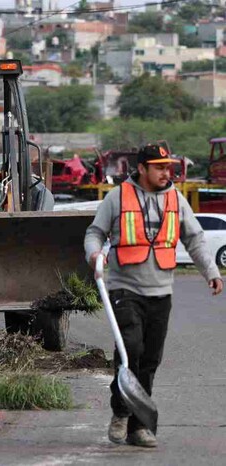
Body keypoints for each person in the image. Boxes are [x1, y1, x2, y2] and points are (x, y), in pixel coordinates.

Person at [84, 144, 223, 448]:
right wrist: (95, 254)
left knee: (149, 360)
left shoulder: (176, 198)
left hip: (161, 291)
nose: (166, 172)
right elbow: (95, 232)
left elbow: (195, 238)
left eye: (168, 166)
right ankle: (121, 412)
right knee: (130, 348)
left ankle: (139, 426)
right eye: (159, 167)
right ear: (143, 168)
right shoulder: (117, 196)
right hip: (125, 287)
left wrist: (211, 272)